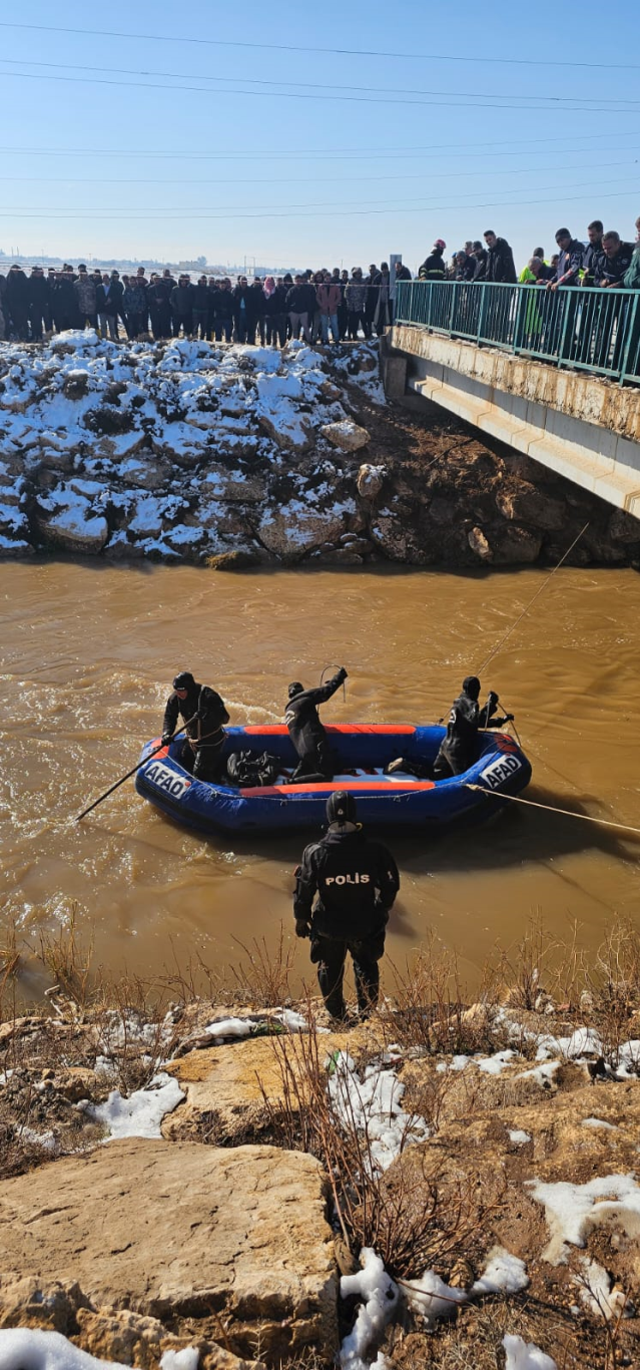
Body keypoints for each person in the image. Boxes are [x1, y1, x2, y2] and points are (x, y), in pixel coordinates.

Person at [293, 790, 400, 1021]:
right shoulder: (375, 850)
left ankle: (338, 1017)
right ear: (355, 814)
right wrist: (381, 909)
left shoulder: (315, 853)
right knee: (366, 965)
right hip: (365, 923)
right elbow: (391, 884)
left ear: (328, 815)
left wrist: (301, 920)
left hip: (328, 925)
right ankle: (367, 1017)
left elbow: (304, 892)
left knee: (329, 967)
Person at [433, 676, 514, 779]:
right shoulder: (471, 704)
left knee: (437, 774)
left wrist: (501, 720)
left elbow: (474, 722)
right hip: (457, 751)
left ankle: (409, 767)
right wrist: (490, 704)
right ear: (476, 690)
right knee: (462, 781)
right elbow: (479, 721)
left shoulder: (458, 700)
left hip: (445, 746)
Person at [162, 671, 230, 782]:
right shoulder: (175, 698)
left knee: (200, 773)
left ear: (189, 689)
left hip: (211, 742)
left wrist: (208, 714)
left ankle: (216, 785)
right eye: (176, 690)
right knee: (185, 759)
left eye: (181, 691)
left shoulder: (209, 696)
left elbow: (225, 719)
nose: (178, 694)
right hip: (192, 740)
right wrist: (167, 733)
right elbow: (170, 716)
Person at [285, 667, 348, 782]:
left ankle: (297, 775)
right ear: (302, 691)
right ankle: (292, 782)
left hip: (302, 753)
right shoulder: (304, 698)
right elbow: (326, 692)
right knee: (326, 776)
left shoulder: (289, 711)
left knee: (332, 765)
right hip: (315, 746)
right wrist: (340, 676)